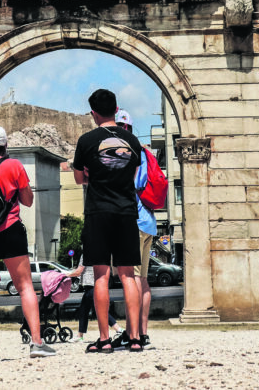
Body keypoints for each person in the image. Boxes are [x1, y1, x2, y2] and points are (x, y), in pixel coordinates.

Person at [0, 124, 56, 361]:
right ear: (5, 146)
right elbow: (27, 201)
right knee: (25, 286)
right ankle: (37, 343)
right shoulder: (13, 165)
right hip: (8, 229)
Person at [72, 89, 143, 353]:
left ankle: (104, 339)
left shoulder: (87, 140)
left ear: (93, 113)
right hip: (126, 210)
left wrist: (93, 176)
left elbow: (79, 179)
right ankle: (134, 337)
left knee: (100, 276)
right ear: (116, 108)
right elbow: (132, 175)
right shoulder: (132, 141)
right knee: (128, 275)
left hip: (98, 211)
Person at [110, 108, 157, 351]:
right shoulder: (145, 152)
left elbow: (135, 183)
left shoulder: (128, 152)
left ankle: (133, 334)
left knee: (133, 278)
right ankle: (143, 333)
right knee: (143, 280)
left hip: (134, 221)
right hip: (148, 221)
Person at [65, 253, 124, 343]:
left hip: (90, 286)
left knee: (95, 311)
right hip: (98, 285)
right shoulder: (100, 253)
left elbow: (79, 271)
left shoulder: (85, 255)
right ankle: (80, 335)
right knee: (85, 311)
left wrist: (66, 275)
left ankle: (118, 329)